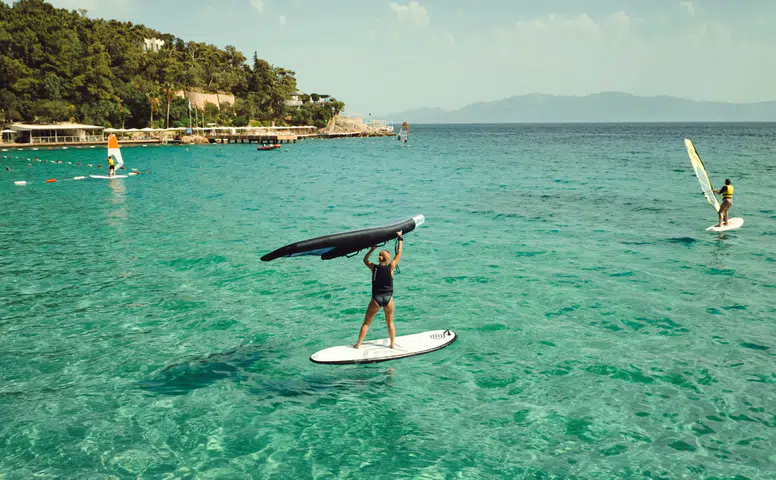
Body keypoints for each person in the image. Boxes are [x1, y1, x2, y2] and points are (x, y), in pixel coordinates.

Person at [354, 231, 403, 349]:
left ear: (379, 258)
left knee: (366, 323)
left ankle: (358, 345)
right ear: (388, 259)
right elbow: (399, 253)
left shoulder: (374, 268)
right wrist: (400, 237)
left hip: (375, 299)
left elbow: (365, 260)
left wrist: (371, 249)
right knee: (390, 323)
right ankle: (392, 345)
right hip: (388, 299)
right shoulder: (391, 267)